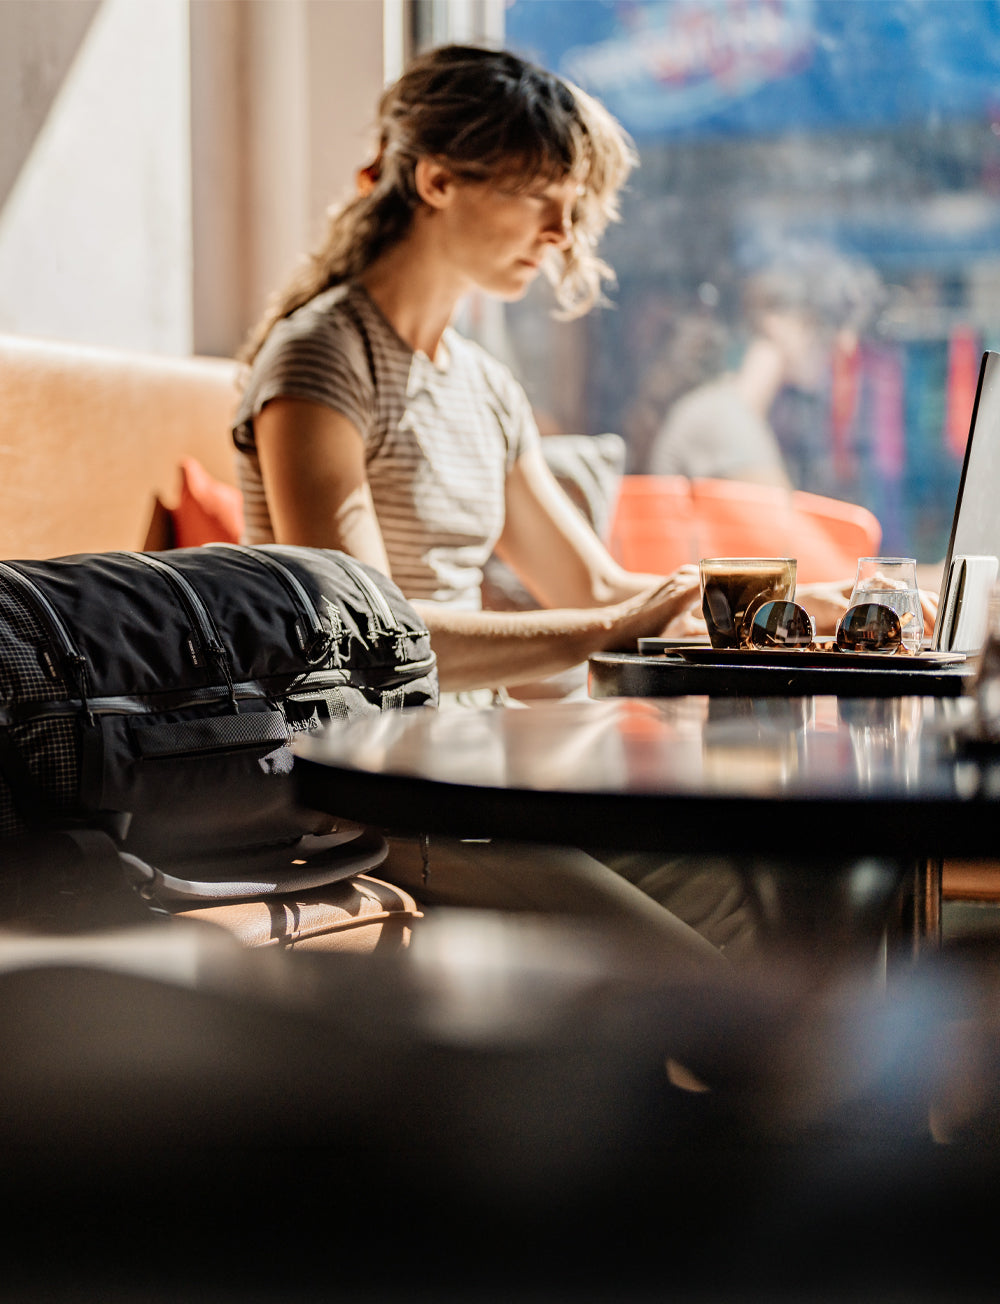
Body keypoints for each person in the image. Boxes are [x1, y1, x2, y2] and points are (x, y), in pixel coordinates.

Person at [228, 43, 844, 965]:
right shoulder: (321, 359)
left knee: (781, 899)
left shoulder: (481, 383)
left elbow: (593, 583)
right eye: (540, 195)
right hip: (369, 792)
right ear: (437, 181)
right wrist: (603, 627)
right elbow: (367, 644)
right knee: (699, 975)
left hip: (469, 769)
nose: (564, 230)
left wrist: (774, 617)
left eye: (573, 202)